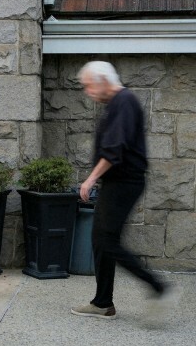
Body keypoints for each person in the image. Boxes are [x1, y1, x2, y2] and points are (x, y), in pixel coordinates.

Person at [71, 61, 172, 322]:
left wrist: (90, 179)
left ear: (103, 80)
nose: (88, 92)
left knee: (107, 241)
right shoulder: (117, 104)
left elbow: (114, 149)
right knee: (99, 240)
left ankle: (158, 287)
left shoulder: (124, 101)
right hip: (116, 183)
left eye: (89, 85)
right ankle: (103, 303)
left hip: (124, 183)